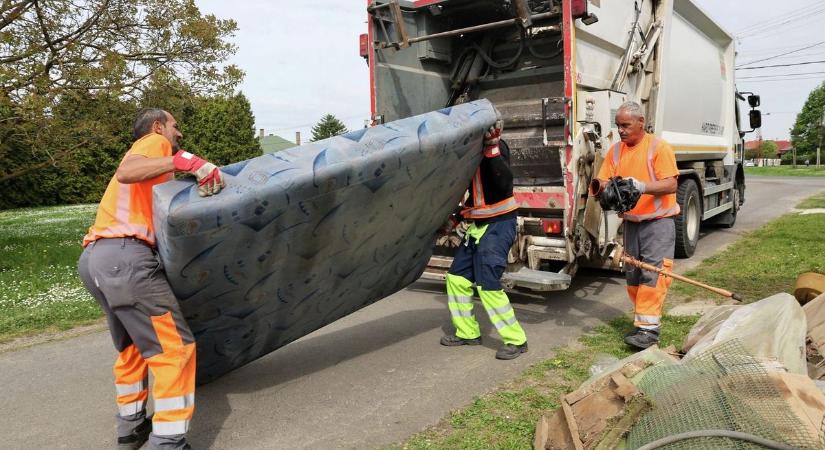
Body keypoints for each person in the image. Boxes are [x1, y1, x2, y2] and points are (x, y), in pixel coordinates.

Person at [78, 108, 225, 450]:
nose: (179, 135)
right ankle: (168, 442)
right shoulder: (154, 142)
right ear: (158, 126)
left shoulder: (153, 170)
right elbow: (127, 171)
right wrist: (189, 162)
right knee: (174, 348)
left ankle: (131, 428)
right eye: (175, 126)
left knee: (133, 346)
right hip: (126, 259)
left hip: (97, 259)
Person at [590, 101, 679, 350]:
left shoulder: (659, 148)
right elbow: (603, 179)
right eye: (618, 126)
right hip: (631, 223)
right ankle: (642, 323)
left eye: (626, 125)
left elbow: (670, 184)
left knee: (652, 274)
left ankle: (649, 331)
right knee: (633, 275)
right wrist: (602, 189)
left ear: (641, 122)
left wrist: (640, 186)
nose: (621, 130)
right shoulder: (616, 151)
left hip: (657, 222)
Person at [440, 121, 529, 360]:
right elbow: (474, 198)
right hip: (478, 227)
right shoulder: (468, 158)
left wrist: (491, 149)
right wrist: (456, 219)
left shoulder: (497, 149)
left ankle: (516, 340)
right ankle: (468, 332)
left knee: (487, 283)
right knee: (457, 279)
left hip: (499, 227)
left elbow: (503, 184)